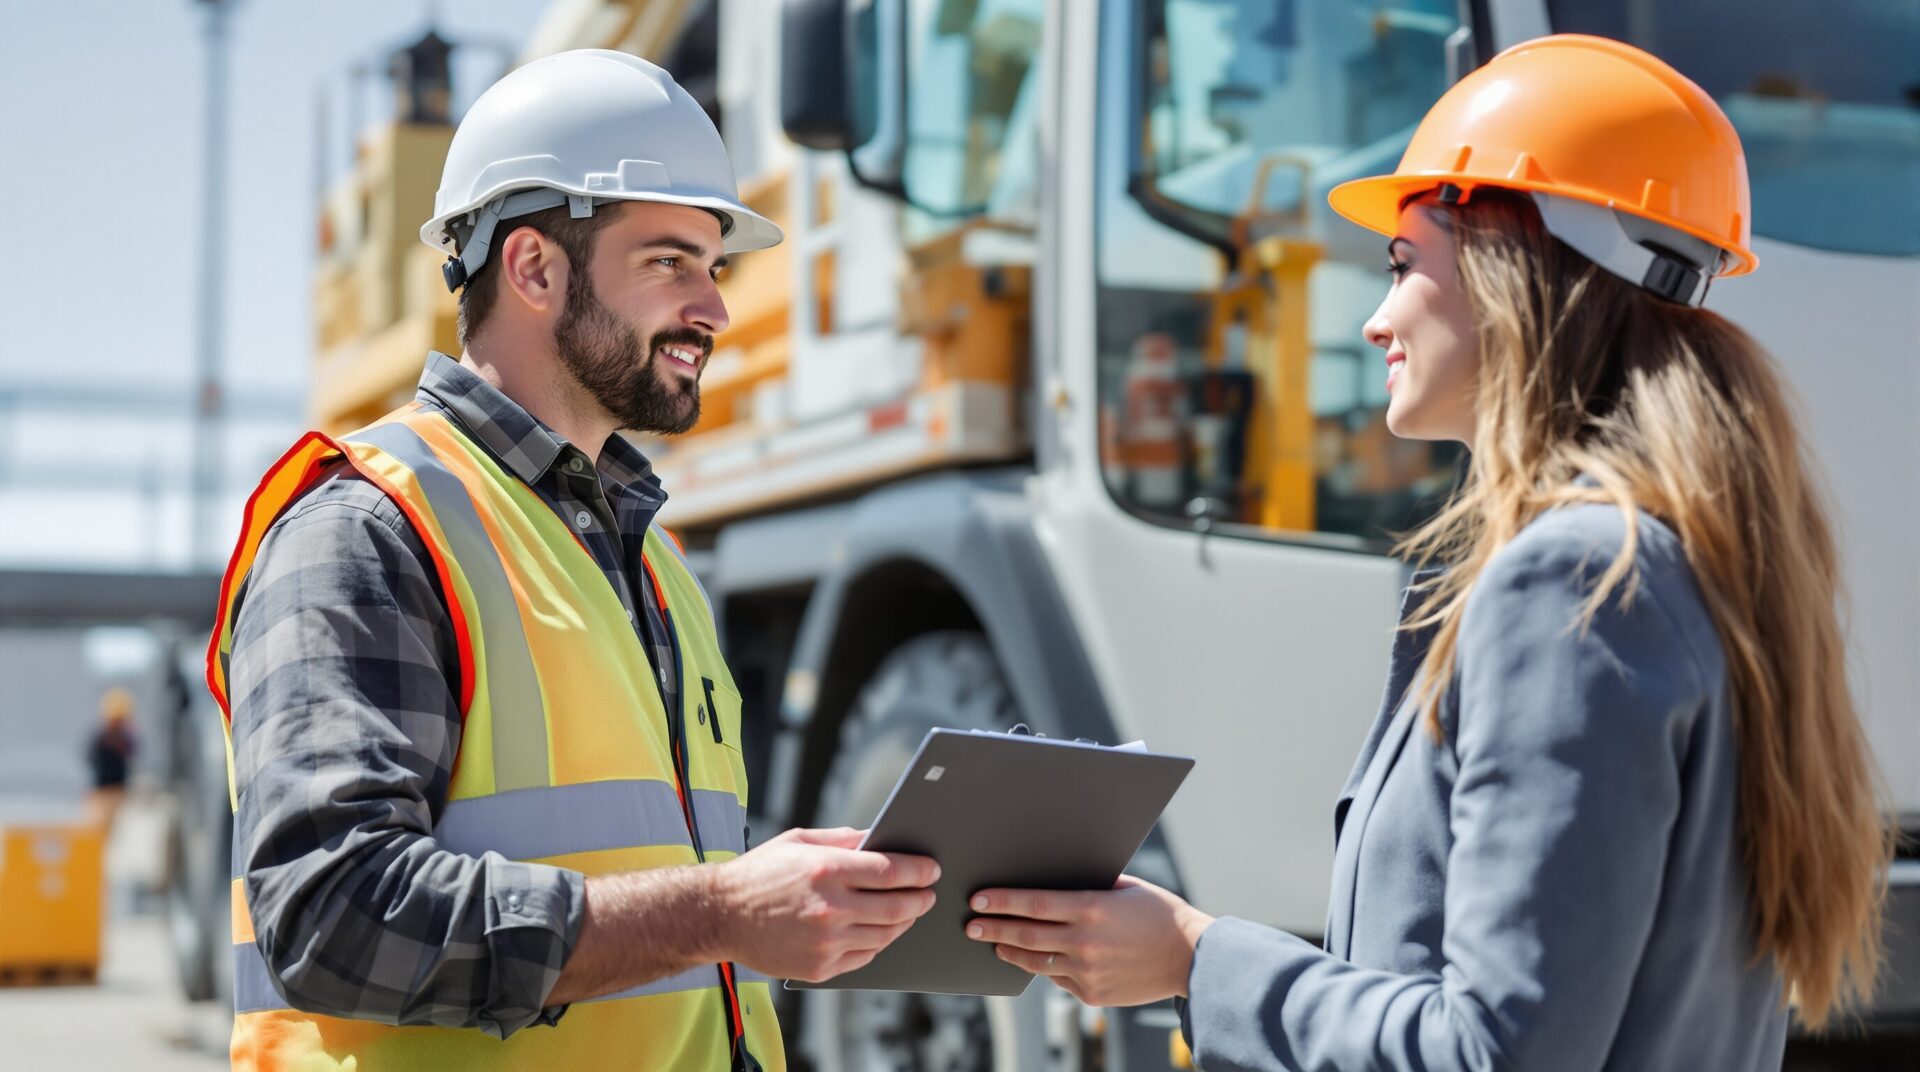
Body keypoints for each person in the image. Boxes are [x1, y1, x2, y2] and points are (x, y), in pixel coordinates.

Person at [964, 35, 1889, 1070]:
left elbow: (1496, 1050)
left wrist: (1195, 958)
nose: (1374, 319)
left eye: (1403, 266)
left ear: (1513, 266)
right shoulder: (1696, 564)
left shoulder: (1574, 581)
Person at [205, 51, 936, 1071]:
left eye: (713, 269)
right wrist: (720, 911)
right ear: (535, 269)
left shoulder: (655, 564)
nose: (714, 311)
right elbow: (334, 917)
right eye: (671, 262)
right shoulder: (365, 528)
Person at [84, 687, 137, 831]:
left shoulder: (126, 739)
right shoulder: (100, 738)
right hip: (102, 793)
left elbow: (133, 753)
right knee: (99, 831)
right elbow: (89, 758)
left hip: (120, 793)